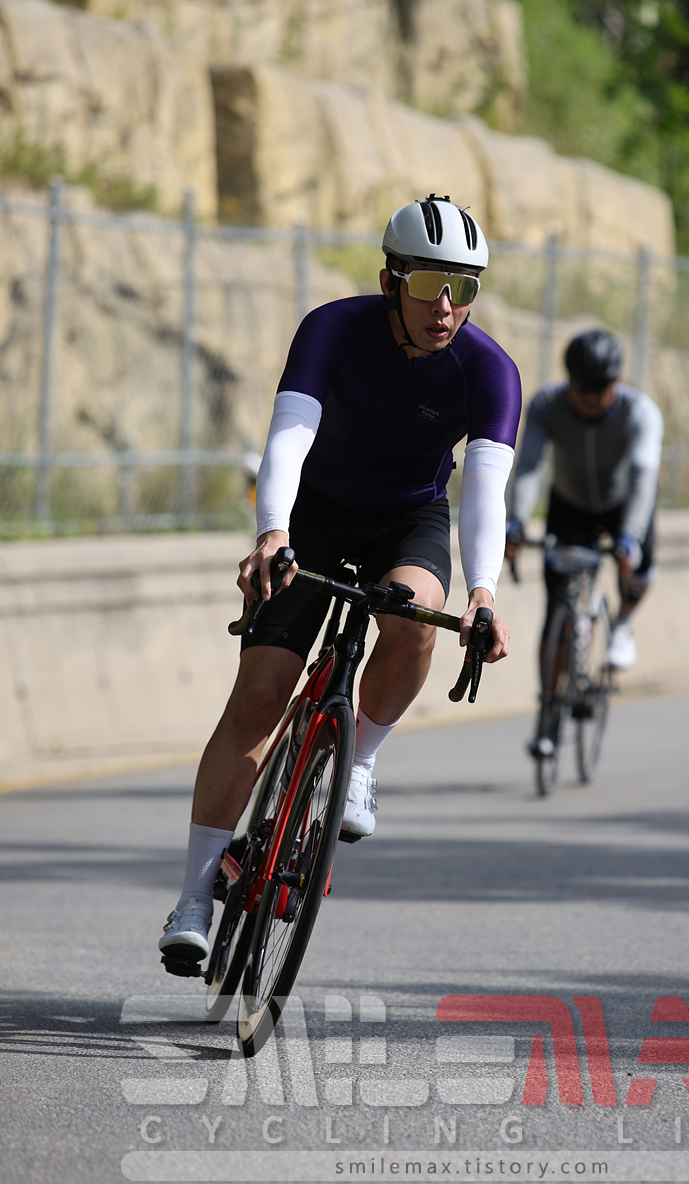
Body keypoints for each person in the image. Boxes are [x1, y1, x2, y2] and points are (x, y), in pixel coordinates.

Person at [159, 196, 522, 972]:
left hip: (408, 518)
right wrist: (273, 532)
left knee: (418, 617)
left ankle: (358, 762)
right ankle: (192, 896)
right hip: (314, 513)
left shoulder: (490, 371)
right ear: (390, 280)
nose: (446, 307)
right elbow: (288, 439)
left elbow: (486, 493)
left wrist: (484, 591)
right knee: (260, 697)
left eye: (463, 288)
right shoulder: (333, 329)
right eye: (427, 284)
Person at [505, 329, 664, 749]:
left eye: (600, 388)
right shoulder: (547, 405)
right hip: (570, 506)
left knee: (641, 562)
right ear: (569, 381)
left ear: (617, 382)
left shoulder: (639, 412)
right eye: (583, 388)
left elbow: (643, 478)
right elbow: (530, 466)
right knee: (556, 610)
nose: (591, 398)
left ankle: (622, 624)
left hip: (623, 505)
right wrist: (516, 520)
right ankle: (548, 712)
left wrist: (630, 538)